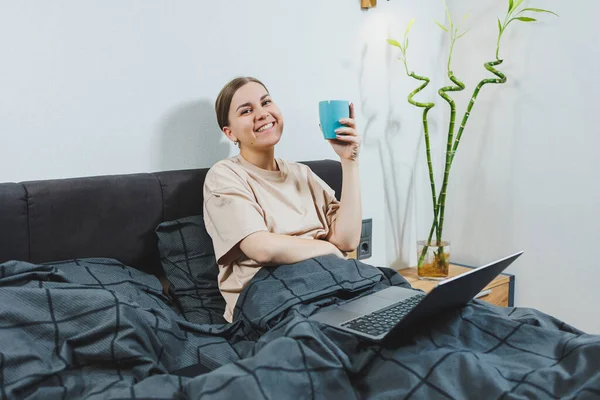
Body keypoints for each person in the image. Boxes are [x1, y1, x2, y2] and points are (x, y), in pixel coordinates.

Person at [203, 76, 362, 322]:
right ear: (230, 132)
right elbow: (262, 248)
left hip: (330, 283)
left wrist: (349, 162)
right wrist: (330, 250)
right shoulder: (224, 175)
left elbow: (348, 239)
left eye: (266, 103)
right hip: (273, 298)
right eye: (246, 111)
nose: (262, 113)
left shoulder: (301, 173)